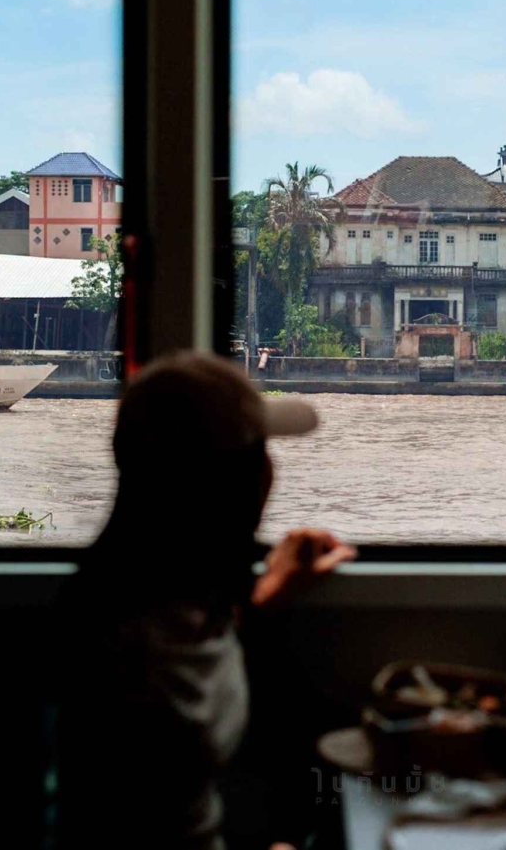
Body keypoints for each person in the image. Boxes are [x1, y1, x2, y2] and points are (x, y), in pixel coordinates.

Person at [54, 352, 356, 849]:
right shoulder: (144, 666)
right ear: (227, 487)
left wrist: (273, 585)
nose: (270, 471)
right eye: (258, 453)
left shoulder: (149, 593)